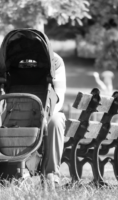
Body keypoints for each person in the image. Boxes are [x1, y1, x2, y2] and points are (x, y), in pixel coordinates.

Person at [45, 52, 66, 186]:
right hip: (18, 109)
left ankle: (51, 173)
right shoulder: (11, 57)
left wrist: (46, 114)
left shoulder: (56, 61)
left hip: (48, 110)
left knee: (55, 121)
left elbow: (59, 96)